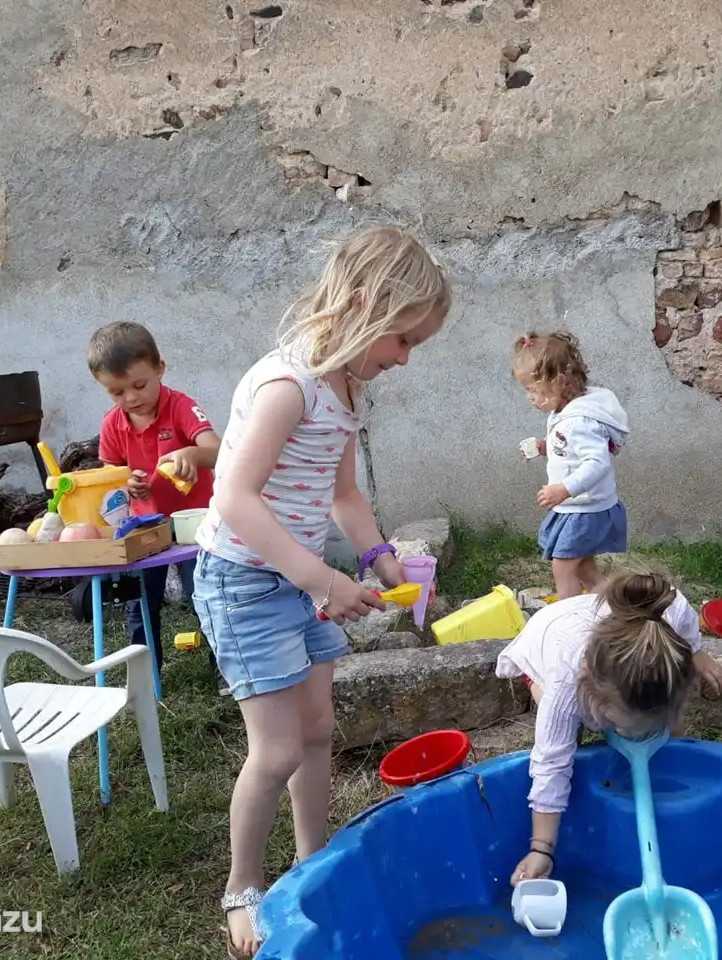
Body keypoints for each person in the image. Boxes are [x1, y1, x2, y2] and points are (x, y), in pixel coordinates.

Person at [192, 226, 451, 958]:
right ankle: (242, 887)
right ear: (365, 304)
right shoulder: (286, 386)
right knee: (274, 751)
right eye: (403, 340)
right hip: (246, 581)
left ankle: (313, 863)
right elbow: (236, 498)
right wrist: (324, 580)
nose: (403, 359)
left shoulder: (345, 388)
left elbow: (341, 493)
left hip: (297, 580)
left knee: (315, 733)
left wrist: (376, 554)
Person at [494, 571, 722, 887]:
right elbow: (551, 764)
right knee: (562, 733)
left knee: (671, 730)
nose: (634, 739)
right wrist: (542, 849)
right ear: (590, 683)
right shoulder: (566, 684)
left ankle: (667, 743)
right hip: (547, 640)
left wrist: (694, 651)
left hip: (611, 626)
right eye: (620, 725)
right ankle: (582, 711)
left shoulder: (662, 615)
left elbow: (678, 604)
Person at [87, 320, 222, 687]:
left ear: (160, 369)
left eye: (139, 385)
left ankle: (225, 669)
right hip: (144, 526)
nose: (130, 398)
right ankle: (146, 677)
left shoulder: (180, 407)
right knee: (140, 604)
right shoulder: (113, 424)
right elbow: (111, 480)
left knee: (207, 598)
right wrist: (129, 486)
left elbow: (219, 451)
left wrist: (192, 454)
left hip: (196, 525)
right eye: (117, 392)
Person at [514, 331, 630, 600]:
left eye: (533, 389)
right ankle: (616, 608)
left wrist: (564, 489)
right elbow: (571, 449)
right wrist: (545, 446)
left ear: (559, 382)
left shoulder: (579, 421)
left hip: (585, 509)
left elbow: (597, 462)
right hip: (578, 507)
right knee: (585, 568)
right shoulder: (566, 412)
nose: (529, 397)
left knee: (563, 565)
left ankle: (568, 618)